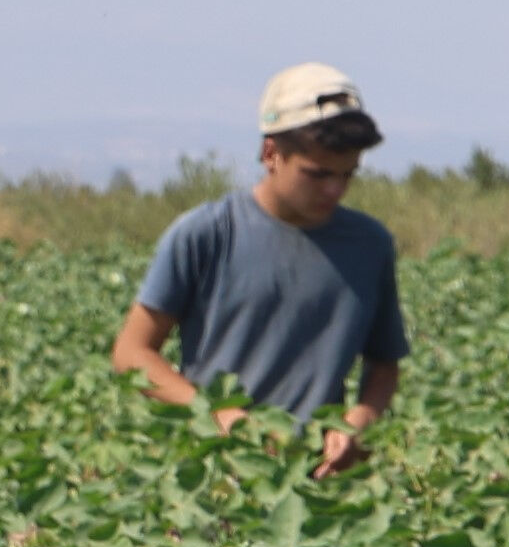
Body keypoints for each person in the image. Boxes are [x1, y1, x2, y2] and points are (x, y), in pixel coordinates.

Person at [116, 64, 409, 475]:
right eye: (318, 174)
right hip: (213, 476)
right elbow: (132, 353)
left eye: (347, 175)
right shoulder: (207, 233)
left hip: (315, 483)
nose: (334, 190)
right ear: (271, 154)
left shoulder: (369, 245)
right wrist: (216, 414)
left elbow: (384, 364)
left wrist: (354, 425)